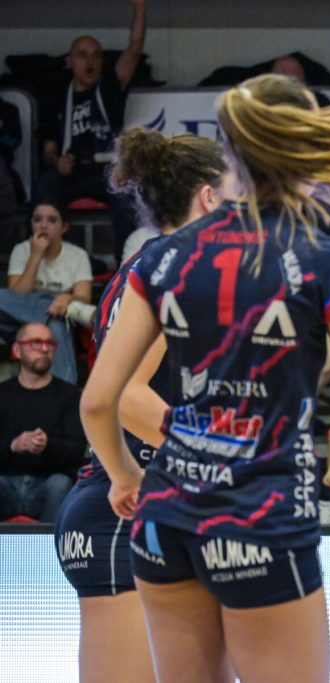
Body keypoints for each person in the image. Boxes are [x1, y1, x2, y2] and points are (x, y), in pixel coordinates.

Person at [79, 74, 330, 683]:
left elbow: (100, 401)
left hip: (164, 518)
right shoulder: (326, 260)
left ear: (228, 149)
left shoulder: (163, 256)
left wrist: (125, 477)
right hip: (262, 518)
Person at [52, 127, 229, 683]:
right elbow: (123, 396)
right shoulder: (170, 269)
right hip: (123, 508)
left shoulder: (159, 267)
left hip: (159, 502)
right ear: (208, 196)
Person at [36, 0, 147, 262]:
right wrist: (57, 162)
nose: (90, 62)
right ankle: (47, 263)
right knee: (44, 188)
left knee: (127, 198)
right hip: (71, 172)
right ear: (70, 61)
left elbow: (134, 49)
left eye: (96, 56)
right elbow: (48, 150)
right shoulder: (56, 97)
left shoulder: (109, 89)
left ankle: (124, 269)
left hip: (106, 172)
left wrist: (140, 8)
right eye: (83, 55)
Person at [1, 198, 94, 383]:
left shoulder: (77, 255)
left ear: (63, 227)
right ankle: (47, 305)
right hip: (20, 322)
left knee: (54, 327)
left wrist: (67, 299)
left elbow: (84, 298)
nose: (43, 226)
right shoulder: (21, 251)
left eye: (52, 220)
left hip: (62, 319)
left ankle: (64, 393)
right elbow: (15, 299)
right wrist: (35, 256)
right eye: (37, 220)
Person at [0, 322, 86, 522]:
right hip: (6, 482)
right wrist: (14, 445)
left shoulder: (70, 395)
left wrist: (47, 445)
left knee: (60, 484)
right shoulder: (3, 394)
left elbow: (76, 452)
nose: (44, 349)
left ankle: (51, 543)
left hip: (47, 484)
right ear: (17, 350)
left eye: (49, 343)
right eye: (36, 343)